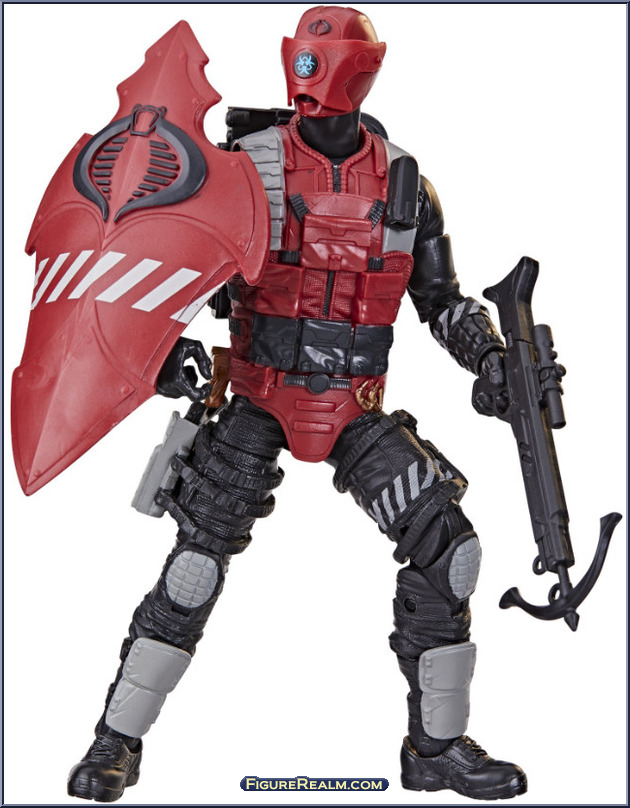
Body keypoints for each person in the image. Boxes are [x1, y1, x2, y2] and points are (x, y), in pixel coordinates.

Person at [57, 6, 525, 802]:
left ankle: (437, 749)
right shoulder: (244, 167)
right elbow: (162, 270)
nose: (310, 79)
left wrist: (489, 358)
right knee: (194, 570)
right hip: (257, 397)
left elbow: (440, 300)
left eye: (324, 62)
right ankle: (115, 742)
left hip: (354, 407)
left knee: (452, 552)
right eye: (303, 61)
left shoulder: (407, 185)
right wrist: (163, 355)